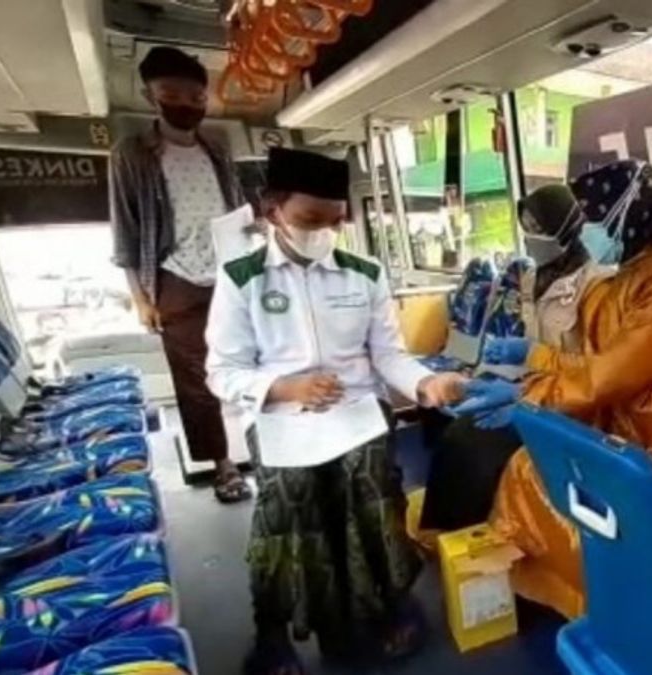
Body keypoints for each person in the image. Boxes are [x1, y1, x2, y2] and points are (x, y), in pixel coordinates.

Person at [457, 160, 652, 618]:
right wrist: (533, 359)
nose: (586, 233)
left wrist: (527, 399)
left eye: (594, 220)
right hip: (639, 418)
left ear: (630, 218)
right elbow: (602, 367)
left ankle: (617, 608)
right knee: (529, 466)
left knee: (585, 493)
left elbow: (604, 378)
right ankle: (567, 593)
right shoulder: (635, 275)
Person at [204, 148, 466, 674]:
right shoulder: (242, 278)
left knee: (374, 498)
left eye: (334, 221)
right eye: (309, 220)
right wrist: (283, 387)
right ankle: (272, 633)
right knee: (287, 511)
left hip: (356, 416)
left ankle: (390, 602)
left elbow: (388, 355)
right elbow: (222, 370)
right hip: (283, 424)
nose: (323, 232)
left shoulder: (362, 272)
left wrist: (427, 382)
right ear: (274, 208)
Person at [418, 184, 612, 533]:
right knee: (459, 432)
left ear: (565, 227)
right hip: (532, 389)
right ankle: (447, 539)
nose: (529, 238)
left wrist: (525, 396)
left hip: (573, 405)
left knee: (479, 452)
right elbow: (533, 345)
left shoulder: (597, 287)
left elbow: (595, 372)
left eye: (538, 230)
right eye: (525, 229)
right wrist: (499, 376)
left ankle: (475, 538)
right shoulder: (533, 278)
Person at [109, 46, 250, 503]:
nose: (185, 103)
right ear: (151, 96)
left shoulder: (217, 147)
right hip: (175, 279)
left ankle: (272, 443)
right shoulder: (132, 154)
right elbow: (126, 232)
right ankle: (223, 465)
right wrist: (141, 297)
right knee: (195, 380)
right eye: (171, 93)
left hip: (230, 273)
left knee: (254, 361)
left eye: (194, 95)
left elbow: (232, 208)